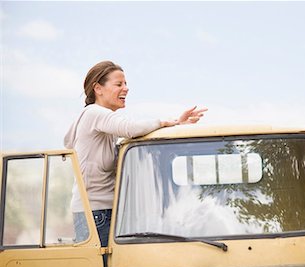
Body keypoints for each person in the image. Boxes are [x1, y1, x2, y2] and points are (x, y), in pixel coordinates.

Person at [64, 60, 207, 248]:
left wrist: (178, 126)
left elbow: (137, 134)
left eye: (126, 84)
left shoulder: (100, 123)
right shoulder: (94, 113)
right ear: (98, 88)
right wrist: (165, 122)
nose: (126, 88)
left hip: (102, 211)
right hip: (96, 213)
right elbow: (131, 128)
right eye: (119, 84)